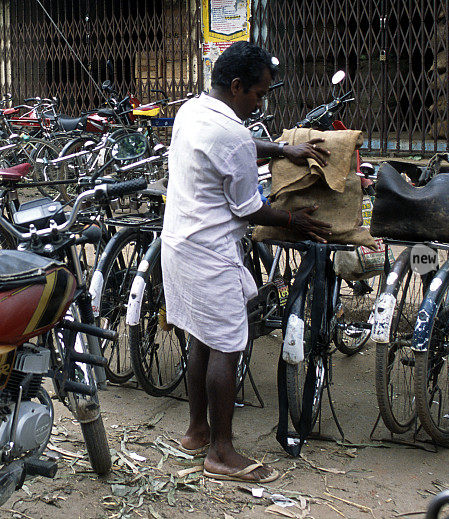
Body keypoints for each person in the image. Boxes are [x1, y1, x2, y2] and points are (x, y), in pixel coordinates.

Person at [162, 41, 331, 483]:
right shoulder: (232, 132)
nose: (262, 101)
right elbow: (250, 209)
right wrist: (294, 218)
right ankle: (221, 453)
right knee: (228, 344)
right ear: (236, 87)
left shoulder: (193, 110)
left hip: (180, 243)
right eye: (259, 93)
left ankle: (197, 431)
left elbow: (234, 148)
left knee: (202, 337)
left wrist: (279, 150)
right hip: (210, 252)